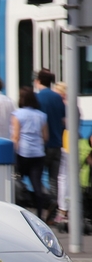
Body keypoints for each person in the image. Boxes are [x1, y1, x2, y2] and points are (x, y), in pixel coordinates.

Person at [11, 86, 49, 220]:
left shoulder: (17, 114)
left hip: (22, 154)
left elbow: (15, 137)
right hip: (38, 155)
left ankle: (19, 213)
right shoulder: (41, 115)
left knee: (16, 183)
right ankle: (40, 216)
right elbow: (45, 137)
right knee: (37, 186)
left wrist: (12, 154)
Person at [34, 69, 65, 206]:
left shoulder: (37, 98)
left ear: (38, 81)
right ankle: (54, 204)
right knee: (54, 180)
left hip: (42, 146)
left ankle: (45, 201)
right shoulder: (58, 97)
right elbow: (63, 120)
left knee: (36, 177)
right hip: (57, 144)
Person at [53, 81, 78, 224]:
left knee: (63, 178)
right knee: (69, 177)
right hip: (71, 142)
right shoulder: (73, 105)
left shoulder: (65, 106)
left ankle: (63, 210)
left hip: (65, 143)